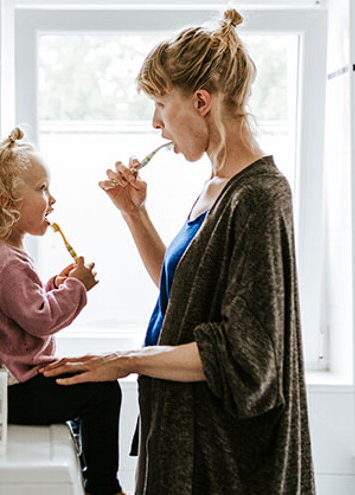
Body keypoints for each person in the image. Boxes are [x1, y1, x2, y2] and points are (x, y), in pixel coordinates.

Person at [41, 9, 315, 495]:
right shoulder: (217, 187)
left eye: (162, 104)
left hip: (228, 461)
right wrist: (133, 213)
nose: (156, 124)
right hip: (182, 434)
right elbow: (185, 295)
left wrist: (125, 359)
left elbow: (249, 358)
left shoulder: (259, 197)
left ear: (202, 101)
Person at [0, 127, 126, 495]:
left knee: (90, 379)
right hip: (19, 392)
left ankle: (91, 467)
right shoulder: (6, 261)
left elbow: (19, 307)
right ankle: (103, 486)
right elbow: (40, 319)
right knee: (104, 391)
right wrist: (77, 287)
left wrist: (54, 284)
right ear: (8, 203)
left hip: (11, 387)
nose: (51, 199)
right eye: (41, 189)